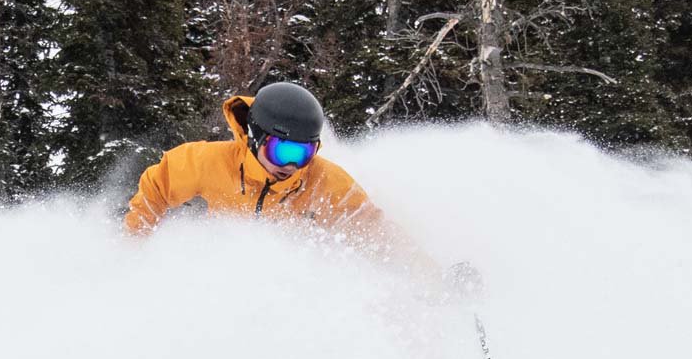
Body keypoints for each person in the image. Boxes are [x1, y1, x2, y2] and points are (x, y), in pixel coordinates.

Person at [124, 82, 469, 290]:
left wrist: (436, 279)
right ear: (256, 136)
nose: (291, 166)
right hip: (210, 280)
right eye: (282, 150)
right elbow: (154, 189)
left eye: (303, 154)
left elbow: (376, 232)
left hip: (279, 293)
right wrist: (132, 253)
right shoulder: (206, 162)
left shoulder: (325, 182)